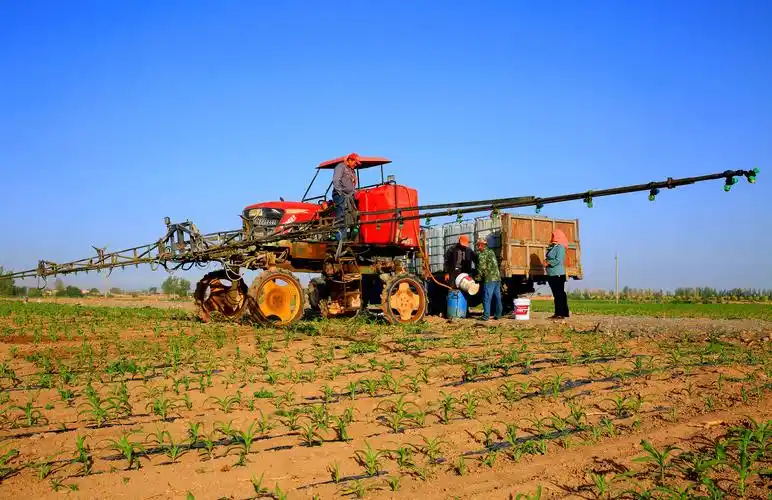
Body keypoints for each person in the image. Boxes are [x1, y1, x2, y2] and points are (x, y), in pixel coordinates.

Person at [331, 153, 361, 242]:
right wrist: (340, 193)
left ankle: (351, 237)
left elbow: (353, 184)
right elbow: (336, 180)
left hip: (349, 196)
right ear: (350, 160)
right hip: (340, 195)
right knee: (341, 215)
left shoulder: (352, 171)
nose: (355, 165)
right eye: (355, 163)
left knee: (353, 216)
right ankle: (339, 238)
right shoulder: (340, 167)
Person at [475, 237, 502, 321]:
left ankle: (486, 316)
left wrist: (477, 279)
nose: (477, 247)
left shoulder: (482, 254)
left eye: (477, 245)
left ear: (481, 245)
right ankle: (498, 315)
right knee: (497, 297)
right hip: (497, 278)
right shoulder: (491, 252)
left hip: (489, 278)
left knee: (486, 297)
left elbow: (481, 268)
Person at [545, 229, 570, 319]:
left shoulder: (560, 247)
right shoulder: (553, 247)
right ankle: (560, 313)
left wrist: (548, 263)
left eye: (554, 235)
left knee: (559, 294)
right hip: (552, 274)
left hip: (557, 274)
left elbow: (559, 260)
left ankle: (560, 314)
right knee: (557, 295)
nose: (552, 237)